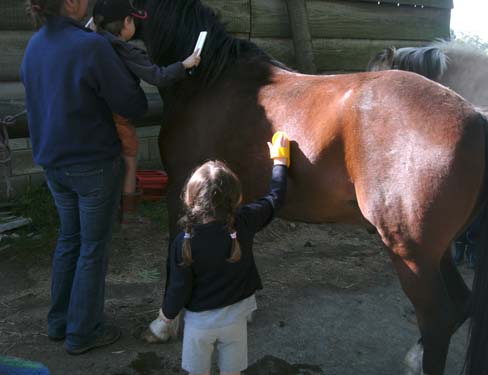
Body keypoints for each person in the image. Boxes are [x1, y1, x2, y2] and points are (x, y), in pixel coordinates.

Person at [21, 0, 148, 354]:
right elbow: (133, 105)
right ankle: (83, 332)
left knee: (69, 240)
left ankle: (59, 322)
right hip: (92, 163)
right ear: (72, 2)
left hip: (52, 164)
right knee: (92, 249)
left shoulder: (34, 45)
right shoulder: (90, 46)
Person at [146, 132, 291, 375]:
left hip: (199, 326)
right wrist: (280, 162)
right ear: (236, 197)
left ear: (191, 198)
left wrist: (166, 318)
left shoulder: (185, 241)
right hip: (236, 319)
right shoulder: (244, 222)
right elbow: (275, 198)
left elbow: (178, 289)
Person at [91, 0, 201, 223]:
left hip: (94, 115)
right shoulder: (125, 50)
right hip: (118, 116)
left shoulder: (92, 42)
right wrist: (185, 64)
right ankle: (128, 214)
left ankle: (106, 212)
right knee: (130, 159)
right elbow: (157, 76)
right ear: (127, 22)